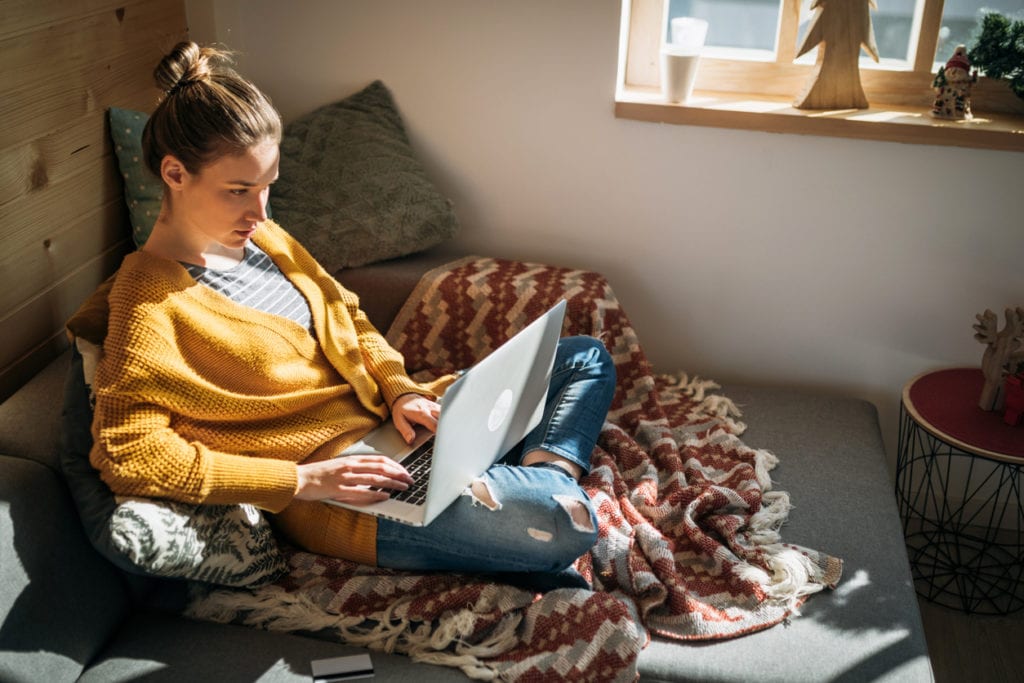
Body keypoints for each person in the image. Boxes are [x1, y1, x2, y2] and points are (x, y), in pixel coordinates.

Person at [78, 42, 616, 589]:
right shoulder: (147, 302)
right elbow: (131, 454)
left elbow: (349, 318)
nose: (260, 212)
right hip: (347, 496)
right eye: (239, 191)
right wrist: (303, 480)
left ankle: (537, 477)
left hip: (398, 428)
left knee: (583, 356)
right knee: (560, 521)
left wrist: (400, 389)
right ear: (174, 173)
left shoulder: (268, 239)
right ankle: (539, 489)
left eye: (267, 187)